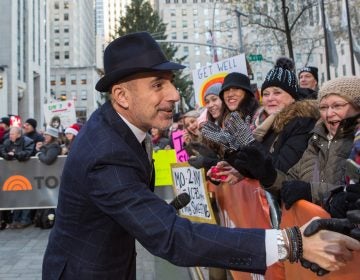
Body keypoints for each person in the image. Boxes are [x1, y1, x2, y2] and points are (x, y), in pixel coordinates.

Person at [42, 32, 360, 279]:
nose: (174, 95)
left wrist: (151, 209)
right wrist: (291, 243)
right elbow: (172, 239)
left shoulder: (124, 127)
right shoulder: (106, 150)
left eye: (170, 83)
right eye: (157, 85)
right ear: (122, 96)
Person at [227, 77, 360, 215]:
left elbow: (351, 193)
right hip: (307, 228)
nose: (329, 113)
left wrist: (311, 192)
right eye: (323, 107)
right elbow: (291, 182)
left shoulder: (354, 141)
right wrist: (269, 175)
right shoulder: (317, 139)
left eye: (337, 106)